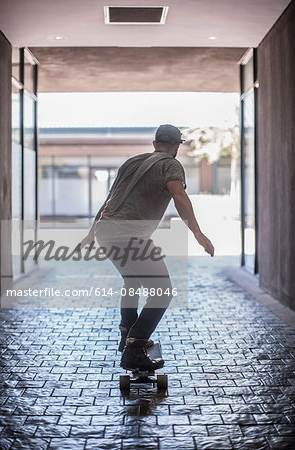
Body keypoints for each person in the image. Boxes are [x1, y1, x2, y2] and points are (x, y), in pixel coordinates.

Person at [78, 124, 214, 371]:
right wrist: (197, 232)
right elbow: (179, 196)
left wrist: (90, 235)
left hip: (105, 232)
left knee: (132, 281)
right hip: (129, 235)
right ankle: (135, 347)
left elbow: (110, 199)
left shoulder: (131, 162)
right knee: (162, 291)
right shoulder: (171, 164)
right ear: (177, 146)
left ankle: (127, 332)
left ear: (154, 144)